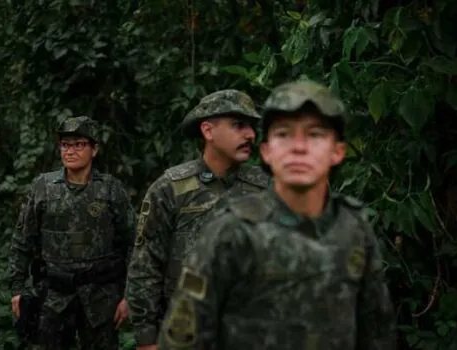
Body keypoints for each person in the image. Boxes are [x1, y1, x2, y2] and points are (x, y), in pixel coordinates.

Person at [158, 80, 397, 349]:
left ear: (338, 151)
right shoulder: (232, 231)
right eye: (284, 134)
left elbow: (377, 333)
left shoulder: (353, 227)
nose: (299, 147)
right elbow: (182, 339)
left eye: (315, 134)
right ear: (267, 152)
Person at [125, 90, 270, 350]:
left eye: (251, 126)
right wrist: (146, 338)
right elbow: (145, 266)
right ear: (208, 131)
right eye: (238, 125)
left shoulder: (266, 187)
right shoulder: (171, 188)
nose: (250, 134)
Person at [9, 116, 136, 349]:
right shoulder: (43, 187)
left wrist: (129, 296)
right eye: (65, 145)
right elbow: (23, 240)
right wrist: (17, 289)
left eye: (79, 144)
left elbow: (133, 244)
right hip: (54, 295)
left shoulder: (110, 189)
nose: (70, 151)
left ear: (94, 149)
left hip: (100, 296)